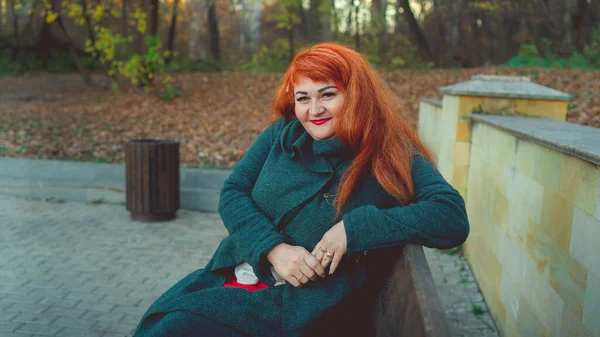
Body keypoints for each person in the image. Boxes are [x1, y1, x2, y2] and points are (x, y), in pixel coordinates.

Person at [133, 42, 469, 337]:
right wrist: (273, 249)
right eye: (303, 98)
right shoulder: (283, 134)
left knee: (174, 327)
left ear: (356, 95)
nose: (314, 110)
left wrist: (354, 229)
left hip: (291, 307)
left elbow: (451, 216)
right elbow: (233, 192)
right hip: (236, 271)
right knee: (160, 323)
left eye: (328, 94)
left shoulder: (389, 153)